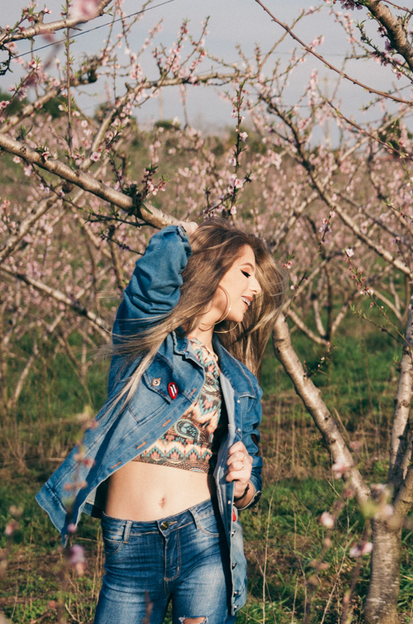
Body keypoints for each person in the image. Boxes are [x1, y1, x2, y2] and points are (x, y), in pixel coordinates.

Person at [37, 220, 286, 624]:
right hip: (130, 544)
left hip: (204, 535)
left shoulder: (240, 380)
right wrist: (184, 232)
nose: (255, 289)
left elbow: (251, 472)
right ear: (212, 266)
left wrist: (244, 484)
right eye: (245, 273)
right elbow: (149, 285)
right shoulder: (149, 342)